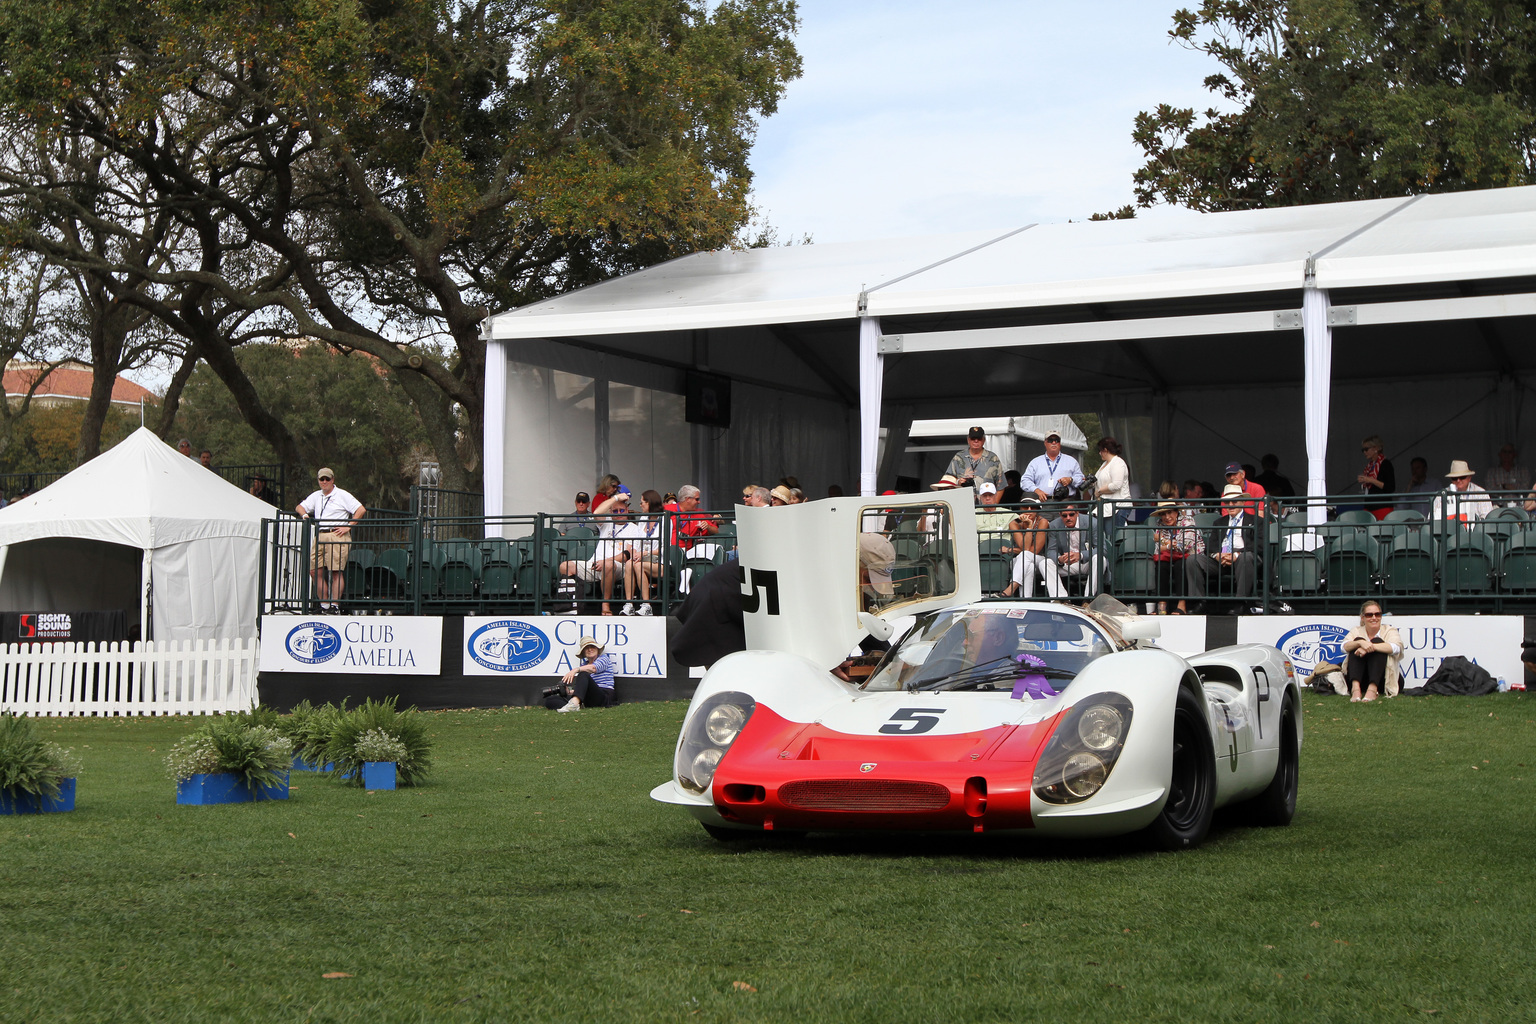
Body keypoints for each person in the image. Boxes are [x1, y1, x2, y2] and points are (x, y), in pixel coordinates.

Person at [557, 491, 641, 616]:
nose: (618, 514)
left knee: (608, 566)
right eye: (615, 511)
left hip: (618, 566)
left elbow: (627, 554)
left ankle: (605, 605)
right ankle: (571, 605)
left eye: (622, 511)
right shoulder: (606, 522)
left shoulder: (634, 528)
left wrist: (606, 561)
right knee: (565, 566)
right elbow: (596, 512)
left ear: (627, 510)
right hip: (595, 564)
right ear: (611, 511)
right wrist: (616, 498)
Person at [295, 468, 367, 611]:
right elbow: (300, 507)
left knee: (336, 571)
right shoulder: (316, 496)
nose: (324, 482)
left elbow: (360, 509)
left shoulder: (342, 495)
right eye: (322, 479)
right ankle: (324, 605)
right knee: (315, 571)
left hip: (337, 535)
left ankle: (334, 605)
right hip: (320, 534)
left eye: (327, 479)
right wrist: (305, 516)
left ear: (333, 480)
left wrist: (348, 526)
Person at [1185, 484, 1258, 609]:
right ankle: (1199, 602)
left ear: (1243, 502)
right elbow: (1211, 546)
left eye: (1234, 501)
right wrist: (1217, 555)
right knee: (1193, 559)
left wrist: (1236, 555)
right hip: (1221, 558)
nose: (1231, 505)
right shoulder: (1219, 522)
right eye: (1228, 501)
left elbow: (1258, 546)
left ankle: (1241, 603)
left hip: (1243, 557)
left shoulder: (1256, 521)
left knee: (1245, 558)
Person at [1342, 600, 1403, 702]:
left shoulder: (1389, 630)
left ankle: (1372, 689)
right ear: (1363, 618)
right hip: (1360, 677)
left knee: (1378, 642)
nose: (1374, 618)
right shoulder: (1356, 630)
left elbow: (1396, 648)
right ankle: (1355, 689)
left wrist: (1371, 647)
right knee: (1356, 641)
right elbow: (1344, 647)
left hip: (1384, 679)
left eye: (1377, 614)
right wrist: (1360, 643)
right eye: (1369, 615)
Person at [1151, 499, 1202, 614]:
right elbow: (1158, 549)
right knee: (1161, 565)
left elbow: (1186, 545)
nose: (1167, 517)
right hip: (1170, 557)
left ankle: (1182, 605)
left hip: (1190, 556)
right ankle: (1161, 606)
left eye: (1170, 513)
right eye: (1163, 514)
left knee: (1180, 565)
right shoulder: (1160, 524)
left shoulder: (1188, 521)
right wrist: (1170, 544)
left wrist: (1166, 543)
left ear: (1176, 512)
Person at [1000, 499, 1054, 598]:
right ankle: (1026, 599)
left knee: (1026, 556)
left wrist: (1010, 550)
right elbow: (1025, 548)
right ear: (1020, 509)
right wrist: (1029, 526)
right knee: (1028, 565)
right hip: (1019, 561)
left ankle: (1012, 588)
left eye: (1032, 507)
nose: (1029, 510)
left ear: (1037, 510)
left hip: (1040, 560)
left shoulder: (1043, 522)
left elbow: (1034, 551)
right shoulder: (1014, 523)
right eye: (1025, 507)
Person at [1044, 503, 1100, 597]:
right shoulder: (1055, 525)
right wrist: (1059, 559)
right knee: (1045, 563)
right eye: (1064, 515)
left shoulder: (1092, 522)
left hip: (1087, 562)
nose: (1068, 518)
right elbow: (1051, 550)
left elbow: (1102, 549)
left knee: (1099, 558)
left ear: (1077, 513)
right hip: (1067, 563)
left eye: (1071, 514)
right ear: (1060, 515)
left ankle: (1088, 598)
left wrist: (1081, 555)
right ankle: (1061, 598)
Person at [552, 636, 617, 712]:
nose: (590, 649)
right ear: (583, 652)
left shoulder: (604, 658)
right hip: (589, 697)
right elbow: (584, 688)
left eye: (592, 646)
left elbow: (593, 668)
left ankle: (574, 705)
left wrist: (575, 670)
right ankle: (575, 704)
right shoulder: (584, 665)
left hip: (604, 695)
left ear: (597, 649)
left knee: (583, 674)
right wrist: (569, 692)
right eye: (586, 648)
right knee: (551, 700)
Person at [1021, 431, 1085, 507]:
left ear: (1060, 443)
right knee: (1043, 519)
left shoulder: (1071, 461)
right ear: (1045, 443)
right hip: (1043, 502)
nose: (1054, 442)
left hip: (1066, 503)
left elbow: (1081, 479)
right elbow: (1024, 481)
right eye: (1050, 440)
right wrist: (1036, 490)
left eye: (1057, 440)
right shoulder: (1035, 462)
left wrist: (1070, 480)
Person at [1092, 437, 1132, 541]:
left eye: (1100, 451)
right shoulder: (1105, 464)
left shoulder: (1118, 463)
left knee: (1114, 539)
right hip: (1105, 507)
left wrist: (1099, 491)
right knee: (1106, 539)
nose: (1099, 453)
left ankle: (1115, 557)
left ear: (1105, 450)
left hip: (1118, 507)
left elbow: (1116, 485)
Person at [666, 484, 719, 550]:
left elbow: (716, 530)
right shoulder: (667, 509)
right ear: (688, 499)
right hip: (666, 551)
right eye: (697, 499)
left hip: (686, 553)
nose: (699, 502)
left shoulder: (698, 514)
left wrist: (708, 526)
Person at [1357, 435, 1395, 519]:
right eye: (1363, 450)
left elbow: (1390, 487)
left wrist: (1371, 480)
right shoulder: (1369, 466)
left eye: (1366, 449)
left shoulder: (1385, 464)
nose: (1364, 452)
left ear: (1376, 449)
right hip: (1369, 505)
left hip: (1382, 506)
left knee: (1382, 531)